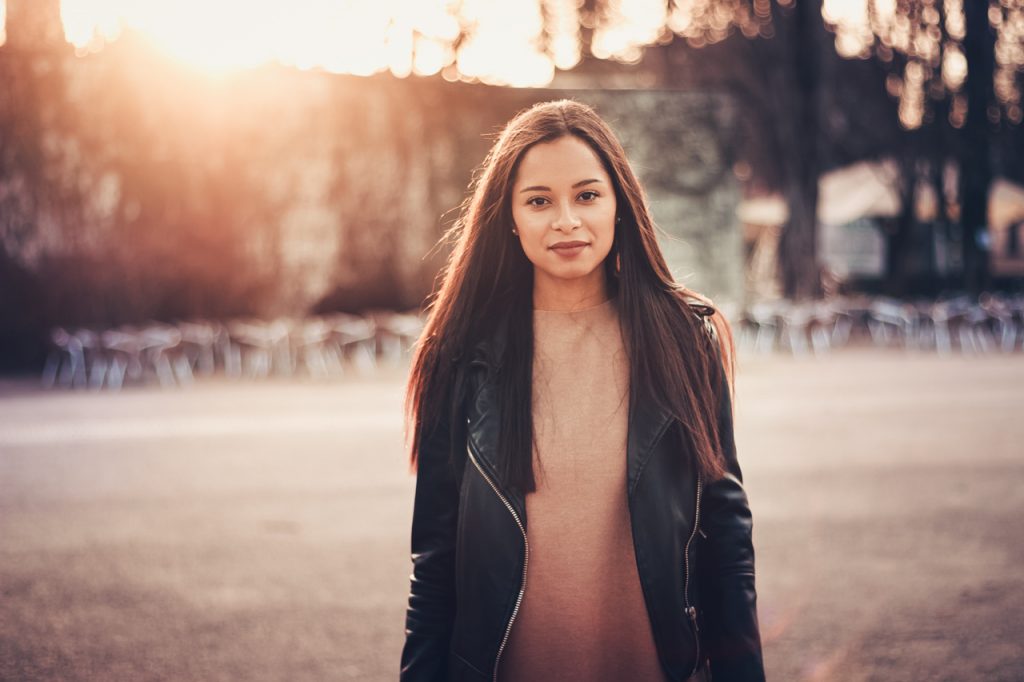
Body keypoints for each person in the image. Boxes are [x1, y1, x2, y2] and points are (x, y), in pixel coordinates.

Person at [400, 99, 764, 682]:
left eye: (587, 195)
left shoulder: (685, 341)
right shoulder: (459, 356)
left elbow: (725, 536)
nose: (566, 220)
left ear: (620, 204)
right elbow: (436, 562)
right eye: (539, 200)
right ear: (509, 217)